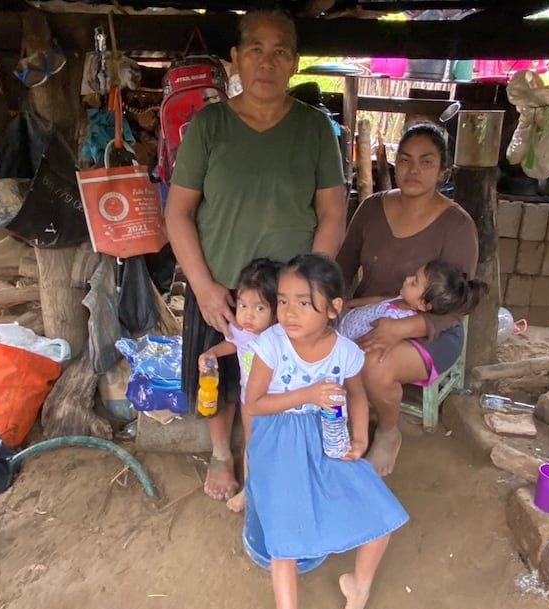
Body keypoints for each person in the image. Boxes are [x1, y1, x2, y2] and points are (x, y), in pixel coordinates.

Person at [164, 8, 346, 501]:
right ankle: (223, 454)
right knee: (220, 377)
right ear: (235, 59)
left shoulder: (314, 129)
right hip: (223, 287)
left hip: (289, 295)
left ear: (295, 61)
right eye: (256, 50)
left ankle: (270, 458)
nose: (267, 61)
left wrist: (309, 290)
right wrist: (202, 286)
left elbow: (332, 211)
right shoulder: (208, 126)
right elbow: (178, 212)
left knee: (290, 380)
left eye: (280, 51)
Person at [245, 254, 408, 609]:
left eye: (304, 301)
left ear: (335, 308)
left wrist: (360, 436)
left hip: (328, 436)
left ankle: (359, 584)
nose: (289, 312)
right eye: (283, 300)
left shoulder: (346, 352)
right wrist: (306, 395)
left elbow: (356, 394)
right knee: (284, 544)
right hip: (278, 441)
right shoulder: (272, 345)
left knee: (381, 516)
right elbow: (255, 403)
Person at [336, 122, 479, 477]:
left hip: (432, 330)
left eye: (426, 162)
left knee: (374, 364)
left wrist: (404, 328)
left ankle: (387, 430)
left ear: (443, 170)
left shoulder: (457, 225)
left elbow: (458, 304)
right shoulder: (370, 209)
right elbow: (341, 268)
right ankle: (341, 422)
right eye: (405, 159)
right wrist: (328, 305)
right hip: (370, 314)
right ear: (394, 163)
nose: (413, 170)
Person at [197, 257, 282, 512]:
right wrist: (212, 352)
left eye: (259, 308)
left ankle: (277, 489)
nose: (247, 314)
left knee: (279, 445)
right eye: (243, 305)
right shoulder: (242, 330)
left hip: (280, 403)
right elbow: (234, 343)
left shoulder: (281, 336)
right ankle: (250, 489)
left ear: (278, 310)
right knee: (252, 443)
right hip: (250, 400)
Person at [339, 259, 487, 342]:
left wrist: (346, 348)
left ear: (423, 304)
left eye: (414, 282)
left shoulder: (399, 320)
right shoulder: (400, 299)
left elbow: (370, 340)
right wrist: (349, 304)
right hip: (342, 320)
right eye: (413, 276)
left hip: (344, 340)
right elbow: (378, 300)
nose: (407, 279)